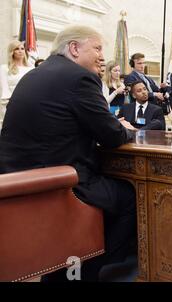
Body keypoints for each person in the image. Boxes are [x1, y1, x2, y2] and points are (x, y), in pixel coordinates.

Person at [0, 25, 138, 281]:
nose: (102, 56)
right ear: (74, 48)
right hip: (60, 187)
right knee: (131, 196)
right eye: (97, 48)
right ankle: (86, 269)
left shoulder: (33, 75)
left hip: (20, 186)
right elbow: (113, 136)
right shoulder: (79, 78)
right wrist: (124, 127)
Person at [0, 41, 34, 127]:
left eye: (22, 48)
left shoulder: (31, 68)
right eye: (17, 49)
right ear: (12, 52)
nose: (20, 51)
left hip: (29, 105)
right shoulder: (4, 68)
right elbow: (4, 89)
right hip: (11, 105)